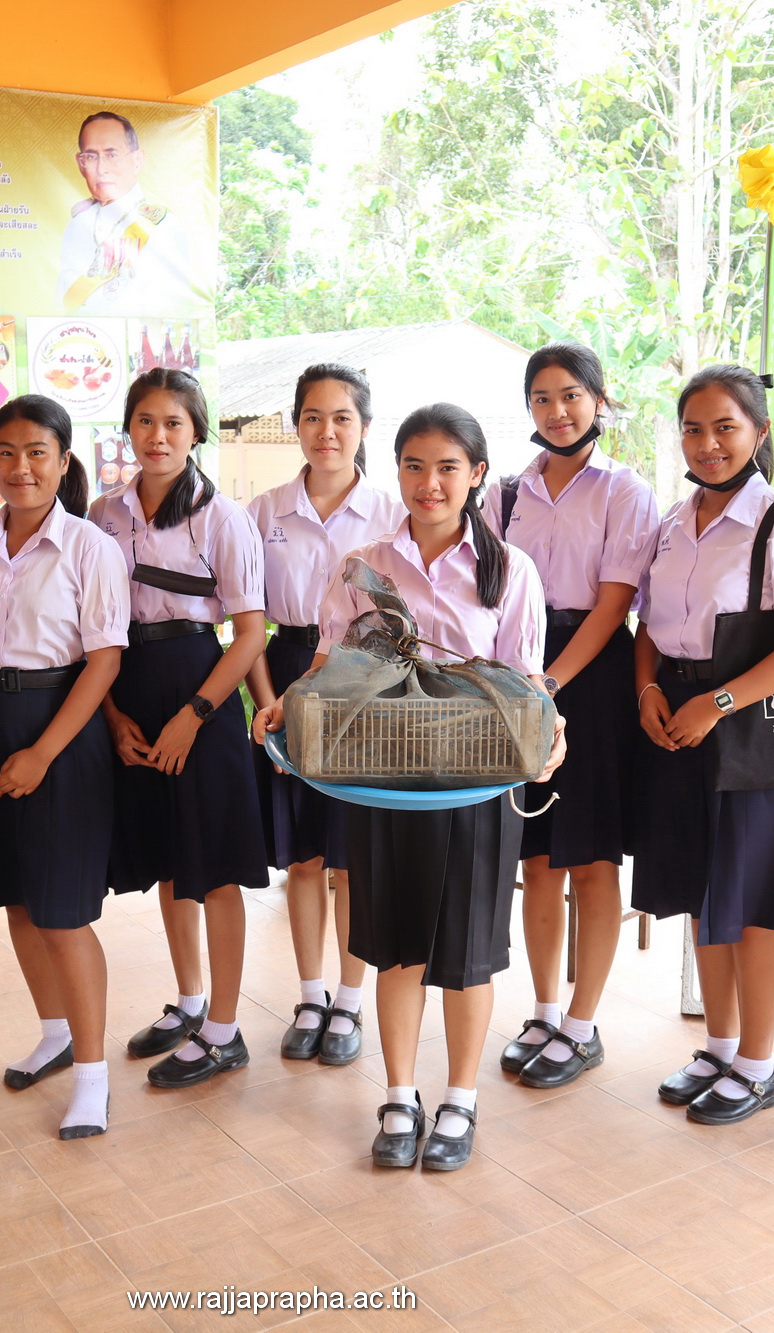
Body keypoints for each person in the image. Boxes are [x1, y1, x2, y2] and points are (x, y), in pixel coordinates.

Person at [258, 403, 565, 1172]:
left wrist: (553, 727)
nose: (431, 483)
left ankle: (459, 1098)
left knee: (466, 955)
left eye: (448, 467)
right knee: (394, 947)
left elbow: (526, 678)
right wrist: (286, 705)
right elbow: (329, 661)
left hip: (477, 784)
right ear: (396, 470)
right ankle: (399, 1095)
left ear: (477, 474)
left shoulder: (509, 569)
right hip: (381, 777)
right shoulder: (364, 562)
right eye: (415, 466)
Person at [632, 364, 774, 1127]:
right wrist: (647, 691)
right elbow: (648, 625)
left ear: (758, 431)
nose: (708, 443)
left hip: (746, 729)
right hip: (677, 721)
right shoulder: (672, 521)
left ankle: (757, 1063)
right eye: (693, 428)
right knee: (701, 894)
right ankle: (718, 1048)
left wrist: (716, 704)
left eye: (725, 427)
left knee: (751, 906)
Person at [0, 395, 129, 1140]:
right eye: (7, 452)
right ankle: (55, 1034)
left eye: (37, 452)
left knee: (64, 911)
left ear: (62, 460)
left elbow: (104, 660)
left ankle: (93, 1077)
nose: (21, 467)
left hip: (63, 730)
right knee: (18, 898)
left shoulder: (89, 546)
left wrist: (43, 752)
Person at [89, 367, 268, 1089]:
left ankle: (225, 1030)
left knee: (215, 867)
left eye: (174, 423)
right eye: (145, 421)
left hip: (202, 688)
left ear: (196, 432)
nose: (158, 436)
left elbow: (249, 634)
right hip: (125, 682)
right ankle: (191, 1003)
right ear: (128, 429)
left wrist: (195, 715)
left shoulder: (224, 518)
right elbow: (93, 627)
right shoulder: (103, 513)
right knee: (170, 858)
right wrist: (111, 714)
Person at [489, 343, 660, 1089]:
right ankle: (544, 1010)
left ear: (599, 398)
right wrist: (518, 685)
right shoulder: (505, 494)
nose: (557, 411)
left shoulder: (626, 490)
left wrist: (550, 684)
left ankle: (582, 1026)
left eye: (571, 395)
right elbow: (489, 591)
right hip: (519, 671)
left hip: (592, 678)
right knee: (535, 858)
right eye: (542, 398)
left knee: (591, 859)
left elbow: (616, 603)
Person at [244, 364, 402, 1065]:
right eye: (313, 416)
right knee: (303, 854)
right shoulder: (263, 512)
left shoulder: (392, 512)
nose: (327, 431)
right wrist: (267, 700)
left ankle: (350, 998)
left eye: (342, 417)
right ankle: (310, 995)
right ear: (296, 425)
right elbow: (249, 620)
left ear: (365, 427)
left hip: (365, 682)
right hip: (284, 672)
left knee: (353, 857)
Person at [57, 111, 199, 316]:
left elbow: (169, 309)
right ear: (81, 164)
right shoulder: (78, 223)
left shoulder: (162, 226)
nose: (101, 169)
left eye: (112, 155)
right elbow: (60, 302)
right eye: (91, 157)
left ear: (137, 160)